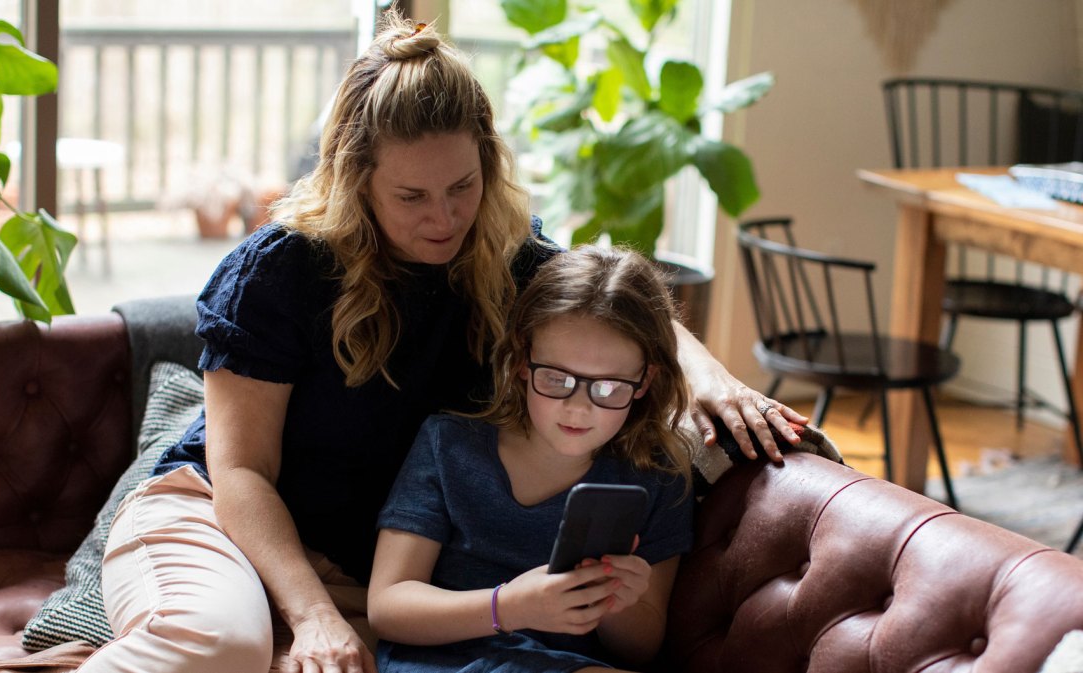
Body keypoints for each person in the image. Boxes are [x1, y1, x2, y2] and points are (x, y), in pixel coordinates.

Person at [79, 11, 806, 673]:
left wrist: (714, 378)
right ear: (355, 180)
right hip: (217, 519)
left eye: (462, 186)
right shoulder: (282, 269)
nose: (445, 217)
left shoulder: (505, 255)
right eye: (412, 197)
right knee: (222, 645)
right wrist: (313, 616)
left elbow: (612, 303)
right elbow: (239, 474)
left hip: (354, 569)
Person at [368, 246, 696, 672]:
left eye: (608, 387)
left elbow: (640, 650)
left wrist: (617, 602)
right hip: (446, 656)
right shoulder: (448, 446)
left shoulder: (659, 477)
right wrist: (510, 607)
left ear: (645, 380)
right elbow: (387, 606)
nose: (578, 408)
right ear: (522, 361)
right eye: (557, 379)